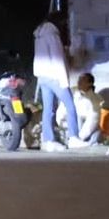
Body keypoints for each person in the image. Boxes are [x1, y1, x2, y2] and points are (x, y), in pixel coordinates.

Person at [32, 10, 86, 151]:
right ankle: (74, 138)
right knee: (70, 105)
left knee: (48, 109)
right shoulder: (52, 34)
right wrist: (64, 79)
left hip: (42, 75)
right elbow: (57, 58)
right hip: (54, 75)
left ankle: (48, 141)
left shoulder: (39, 34)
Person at [70, 72, 103, 144]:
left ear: (90, 84)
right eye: (79, 79)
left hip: (86, 131)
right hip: (71, 128)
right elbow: (63, 112)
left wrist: (79, 137)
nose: (79, 82)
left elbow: (93, 120)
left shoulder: (96, 99)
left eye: (83, 80)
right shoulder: (73, 93)